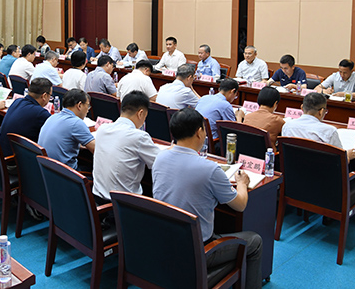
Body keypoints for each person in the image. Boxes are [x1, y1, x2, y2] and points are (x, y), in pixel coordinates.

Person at [152, 108, 263, 289]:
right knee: (255, 241)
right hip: (198, 251)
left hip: (165, 240)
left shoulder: (160, 158)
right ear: (199, 132)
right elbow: (240, 205)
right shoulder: (209, 169)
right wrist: (242, 183)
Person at [92, 92, 161, 203]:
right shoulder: (139, 137)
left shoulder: (102, 129)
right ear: (140, 113)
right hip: (122, 205)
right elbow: (161, 162)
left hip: (97, 198)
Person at [282, 92, 355, 162]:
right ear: (321, 111)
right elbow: (339, 161)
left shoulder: (287, 126)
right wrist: (347, 156)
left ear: (302, 108)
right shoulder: (329, 131)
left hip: (292, 170)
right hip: (319, 171)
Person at [38, 89, 95, 169]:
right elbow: (97, 150)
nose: (88, 110)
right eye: (88, 106)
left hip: (47, 169)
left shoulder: (53, 117)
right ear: (79, 105)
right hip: (65, 173)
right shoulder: (76, 122)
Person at [0, 78, 52, 155]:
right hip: (15, 158)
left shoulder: (17, 101)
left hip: (1, 152)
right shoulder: (41, 113)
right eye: (50, 96)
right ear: (44, 96)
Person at [195, 78, 244, 152]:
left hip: (195, 139)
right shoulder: (225, 105)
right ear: (232, 91)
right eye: (235, 95)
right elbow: (234, 130)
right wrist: (239, 117)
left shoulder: (204, 98)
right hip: (211, 143)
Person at [243, 86, 285, 152]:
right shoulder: (277, 120)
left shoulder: (247, 116)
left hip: (246, 153)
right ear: (275, 104)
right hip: (268, 156)